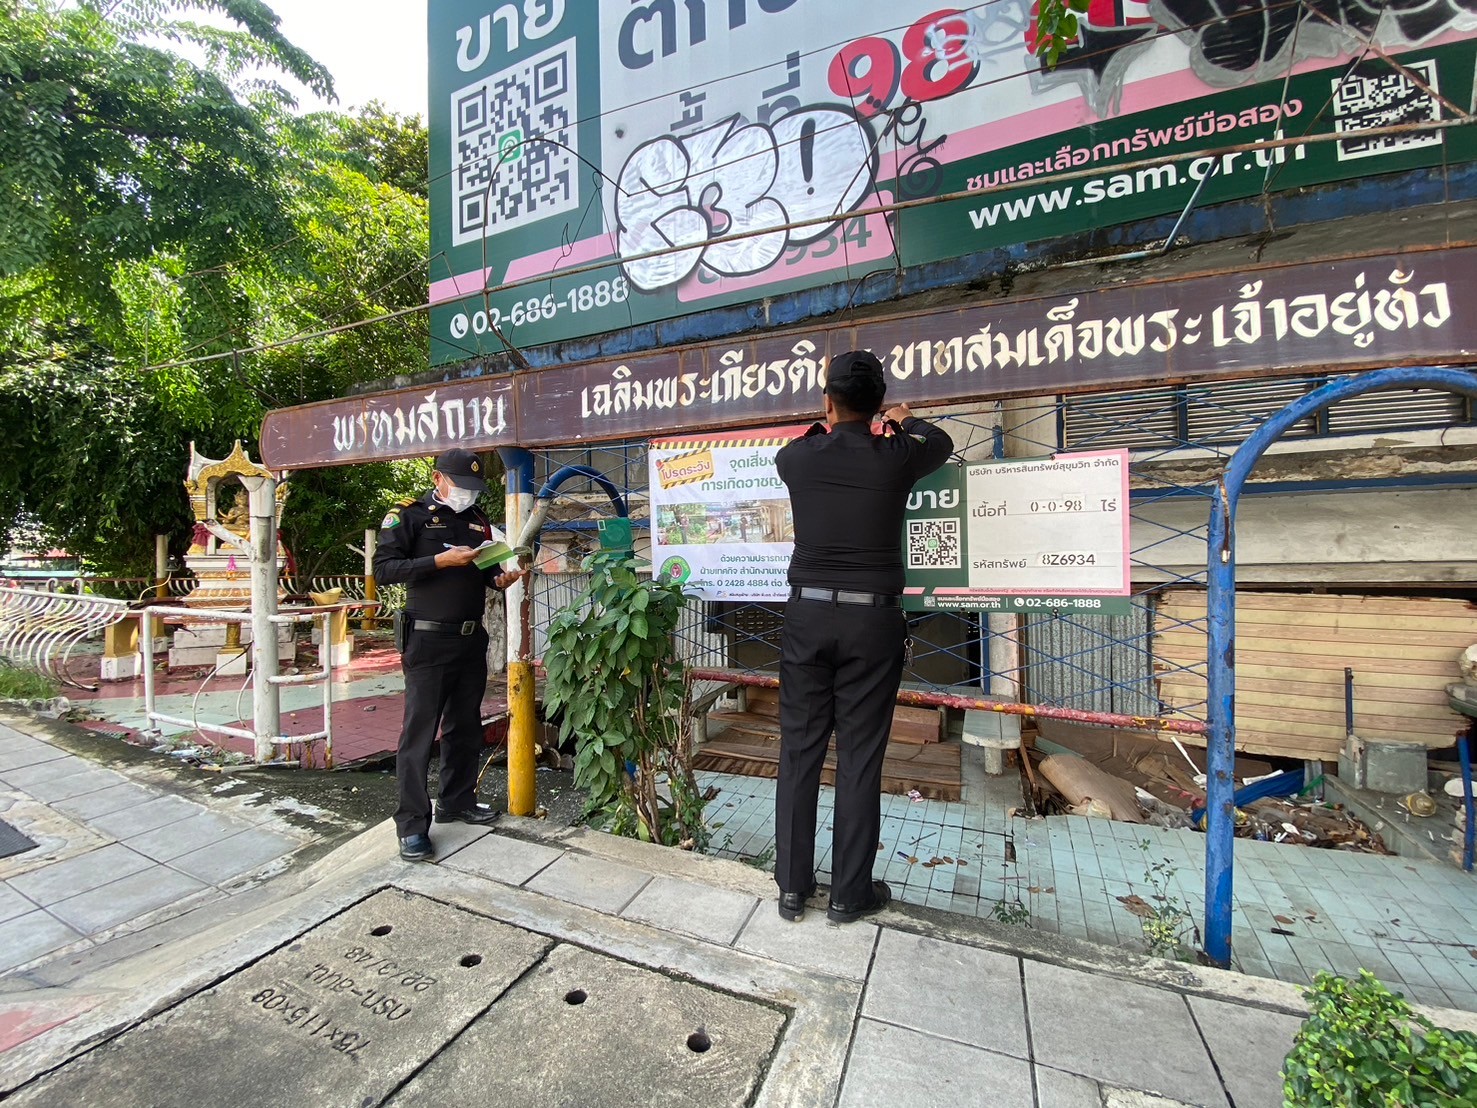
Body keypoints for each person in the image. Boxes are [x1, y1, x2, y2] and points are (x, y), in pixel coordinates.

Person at [773, 350, 953, 923]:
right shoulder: (897, 454)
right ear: (879, 406)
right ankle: (849, 895)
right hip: (873, 622)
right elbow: (941, 442)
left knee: (799, 751)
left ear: (827, 402)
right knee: (858, 757)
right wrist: (902, 421)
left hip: (806, 616)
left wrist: (834, 422)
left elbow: (803, 443)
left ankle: (792, 888)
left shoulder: (796, 458)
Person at [374, 448, 527, 862]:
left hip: (469, 638)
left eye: (474, 488)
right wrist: (439, 561)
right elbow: (384, 570)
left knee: (465, 726)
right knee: (419, 734)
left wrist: (501, 578)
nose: (468, 494)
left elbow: (486, 573)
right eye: (462, 486)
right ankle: (411, 825)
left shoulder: (477, 521)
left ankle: (456, 801)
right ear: (438, 479)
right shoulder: (409, 515)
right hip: (427, 640)